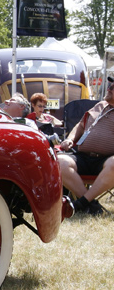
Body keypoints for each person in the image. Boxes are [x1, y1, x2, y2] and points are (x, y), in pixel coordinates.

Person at [55, 79, 114, 216]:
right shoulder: (99, 106)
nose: (109, 88)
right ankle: (90, 204)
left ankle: (81, 203)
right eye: (109, 85)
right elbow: (80, 126)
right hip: (83, 156)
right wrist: (70, 139)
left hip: (106, 160)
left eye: (113, 87)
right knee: (59, 162)